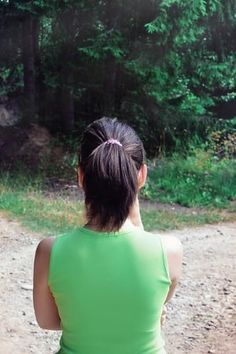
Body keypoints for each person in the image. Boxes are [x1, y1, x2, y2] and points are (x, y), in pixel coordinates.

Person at [33, 117, 183, 354]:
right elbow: (153, 306)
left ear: (81, 176)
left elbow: (46, 321)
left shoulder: (49, 251)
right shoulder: (169, 251)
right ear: (141, 176)